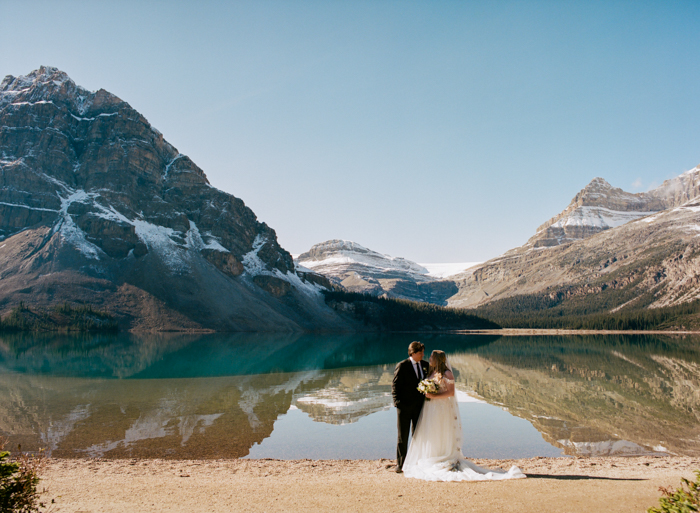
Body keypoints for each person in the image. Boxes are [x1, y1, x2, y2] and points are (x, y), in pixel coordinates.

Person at [402, 350, 526, 481]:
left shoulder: (447, 373)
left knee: (441, 431)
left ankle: (444, 456)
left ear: (438, 359)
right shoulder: (432, 372)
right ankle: (433, 455)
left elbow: (450, 393)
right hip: (431, 408)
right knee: (432, 431)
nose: (429, 359)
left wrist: (434, 395)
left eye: (432, 357)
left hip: (442, 408)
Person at [391, 341, 429, 473]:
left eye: (423, 352)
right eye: (420, 353)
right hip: (404, 408)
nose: (423, 355)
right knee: (403, 436)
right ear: (412, 353)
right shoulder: (402, 366)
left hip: (419, 407)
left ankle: (417, 462)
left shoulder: (425, 365)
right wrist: (398, 404)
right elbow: (395, 386)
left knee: (418, 435)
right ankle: (400, 464)